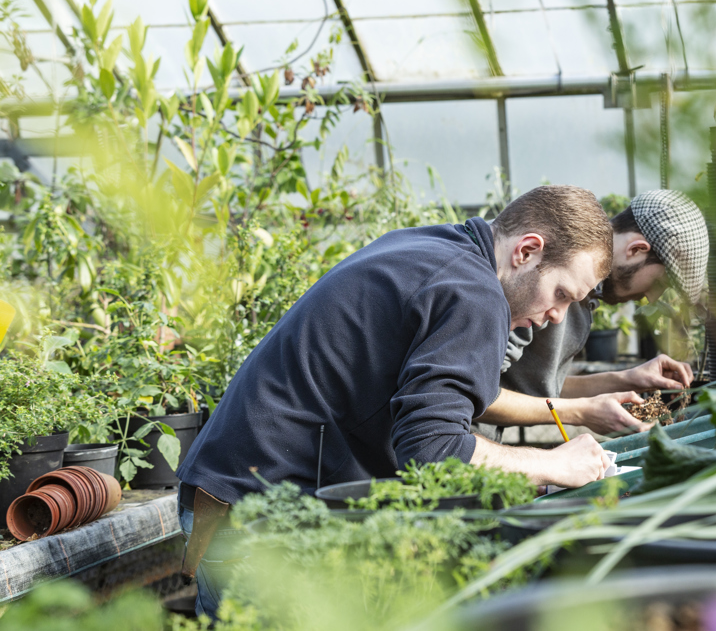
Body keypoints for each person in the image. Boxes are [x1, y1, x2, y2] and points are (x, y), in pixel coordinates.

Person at [175, 185, 615, 618]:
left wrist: (509, 471)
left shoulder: (437, 245)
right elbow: (434, 450)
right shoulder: (475, 292)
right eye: (561, 294)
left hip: (231, 498)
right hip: (261, 520)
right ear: (527, 251)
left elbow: (421, 414)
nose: (557, 316)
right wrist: (552, 463)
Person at [475, 189, 709, 440]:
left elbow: (535, 390)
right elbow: (474, 394)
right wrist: (582, 412)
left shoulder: (581, 293)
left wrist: (625, 379)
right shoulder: (545, 283)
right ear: (637, 249)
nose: (652, 297)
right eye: (660, 283)